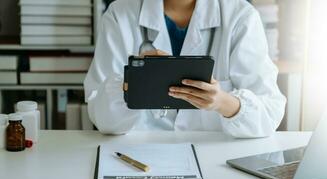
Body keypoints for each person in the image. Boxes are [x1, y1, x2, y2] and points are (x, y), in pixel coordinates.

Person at [84, 0, 286, 138]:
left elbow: (269, 114)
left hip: (214, 162)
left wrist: (222, 102)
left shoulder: (241, 16)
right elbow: (103, 120)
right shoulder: (120, 14)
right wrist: (131, 82)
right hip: (139, 158)